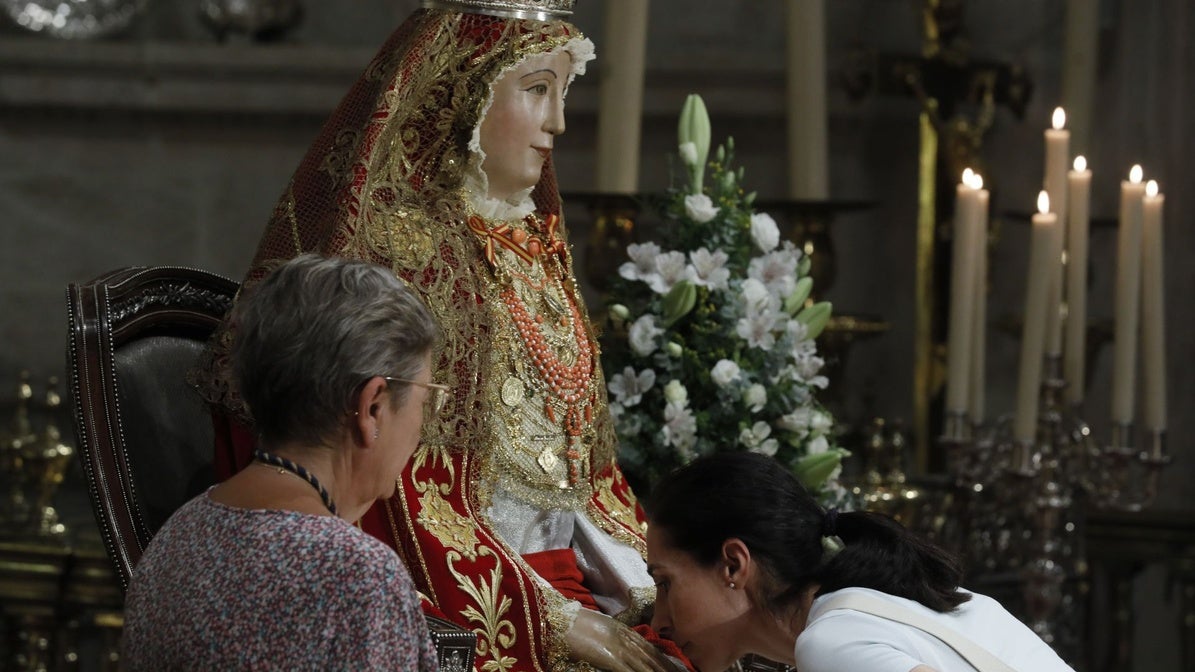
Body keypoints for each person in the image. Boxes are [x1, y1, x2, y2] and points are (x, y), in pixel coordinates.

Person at [196, 2, 679, 670]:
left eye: (563, 94)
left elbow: (585, 479)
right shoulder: (405, 256)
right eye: (536, 89)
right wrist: (552, 618)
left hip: (582, 584)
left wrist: (653, 584)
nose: (557, 125)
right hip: (465, 592)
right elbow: (386, 482)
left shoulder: (533, 245)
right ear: (462, 89)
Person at [125, 255, 441, 671]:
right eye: (426, 400)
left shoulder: (179, 533)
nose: (422, 427)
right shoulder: (357, 575)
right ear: (373, 407)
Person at [645, 452, 1077, 672]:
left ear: (734, 565)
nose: (658, 621)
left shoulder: (831, 642)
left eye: (665, 584)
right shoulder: (883, 603)